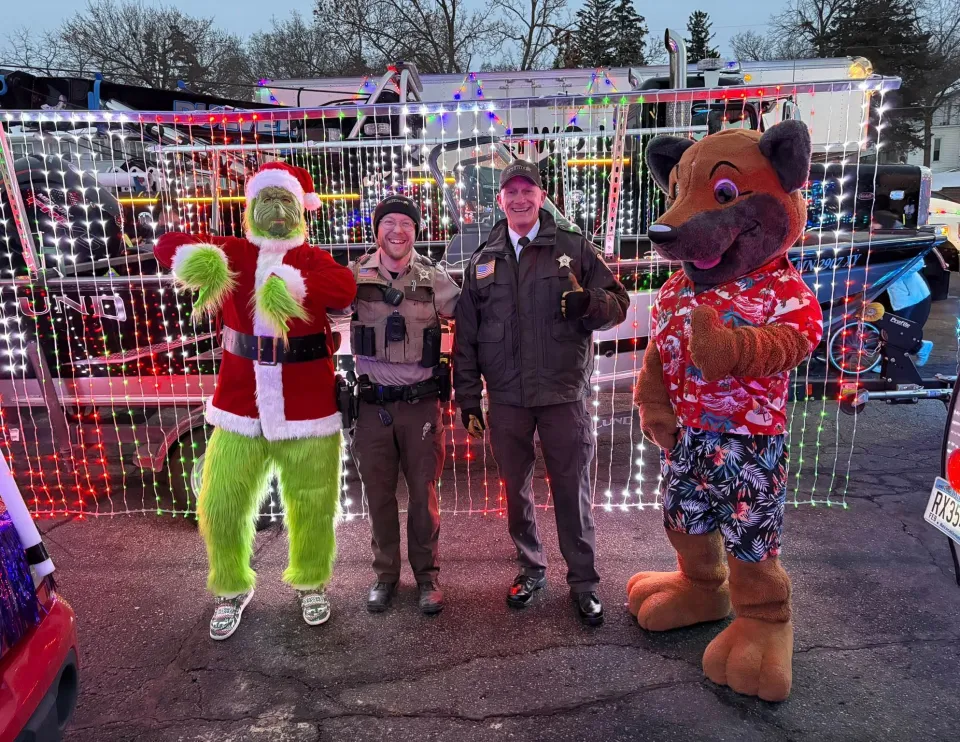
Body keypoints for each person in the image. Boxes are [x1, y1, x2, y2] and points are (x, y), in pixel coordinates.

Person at [154, 162, 357, 640]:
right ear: (250, 208)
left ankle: (310, 584)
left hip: (308, 409)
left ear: (301, 210)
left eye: (285, 201)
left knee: (312, 506)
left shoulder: (312, 258)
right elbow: (167, 245)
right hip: (240, 407)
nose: (276, 210)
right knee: (220, 503)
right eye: (266, 200)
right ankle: (231, 589)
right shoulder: (234, 253)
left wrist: (293, 286)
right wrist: (200, 261)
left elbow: (344, 288)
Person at [452, 160, 630, 626]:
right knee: (516, 491)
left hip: (563, 396)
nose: (519, 200)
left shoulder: (572, 248)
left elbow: (619, 305)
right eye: (511, 192)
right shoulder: (483, 259)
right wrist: (469, 398)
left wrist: (590, 304)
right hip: (507, 399)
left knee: (573, 491)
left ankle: (585, 582)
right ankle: (531, 569)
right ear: (500, 201)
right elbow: (466, 336)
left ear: (542, 195)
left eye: (527, 191)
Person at [341, 195, 460, 615]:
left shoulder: (433, 277)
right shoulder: (354, 275)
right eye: (388, 223)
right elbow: (322, 306)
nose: (397, 230)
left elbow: (469, 315)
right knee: (378, 496)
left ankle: (428, 577)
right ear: (377, 230)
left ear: (416, 230)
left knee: (424, 495)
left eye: (406, 224)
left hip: (421, 406)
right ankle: (385, 576)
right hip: (373, 407)